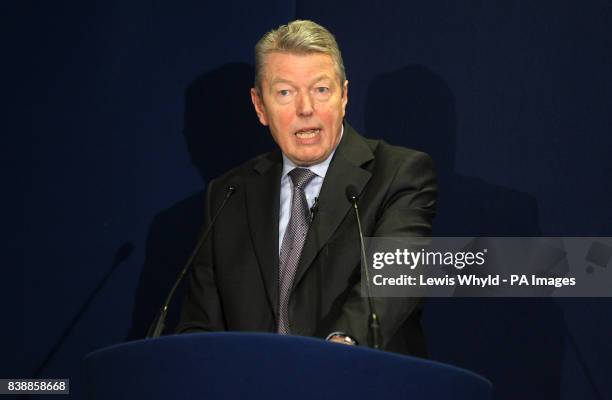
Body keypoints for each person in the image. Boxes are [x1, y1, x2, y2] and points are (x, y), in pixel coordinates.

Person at [177, 20, 436, 356]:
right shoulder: (228, 194)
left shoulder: (399, 175)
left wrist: (334, 356)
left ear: (344, 96)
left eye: (321, 90)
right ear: (260, 107)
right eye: (285, 92)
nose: (305, 109)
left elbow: (394, 279)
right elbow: (200, 326)